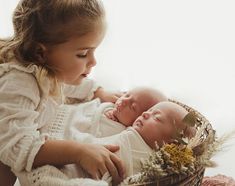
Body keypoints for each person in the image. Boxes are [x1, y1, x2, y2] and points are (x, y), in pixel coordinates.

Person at [0, 0, 125, 185]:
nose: (93, 62)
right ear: (40, 52)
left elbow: (65, 81)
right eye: (83, 54)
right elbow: (16, 146)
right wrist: (79, 151)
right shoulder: (19, 82)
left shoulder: (45, 67)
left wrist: (97, 91)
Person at [22, 101, 196, 186]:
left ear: (171, 143)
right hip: (80, 163)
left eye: (156, 117)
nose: (144, 115)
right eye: (147, 111)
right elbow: (96, 144)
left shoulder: (158, 163)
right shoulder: (128, 134)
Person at [64, 86, 167, 138]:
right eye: (127, 95)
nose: (124, 101)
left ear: (138, 120)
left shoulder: (123, 133)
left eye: (133, 106)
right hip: (66, 116)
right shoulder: (109, 105)